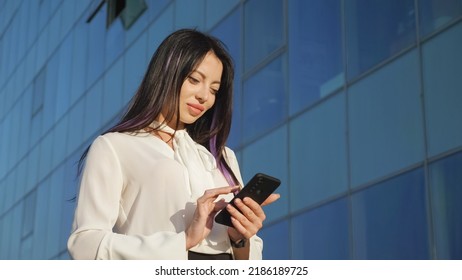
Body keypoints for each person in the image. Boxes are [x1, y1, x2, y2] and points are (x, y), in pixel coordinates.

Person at [67, 29, 279, 260]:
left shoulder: (222, 156)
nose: (204, 96)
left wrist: (240, 237)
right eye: (194, 80)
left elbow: (250, 258)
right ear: (167, 73)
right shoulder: (115, 146)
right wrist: (184, 241)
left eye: (214, 90)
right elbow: (84, 245)